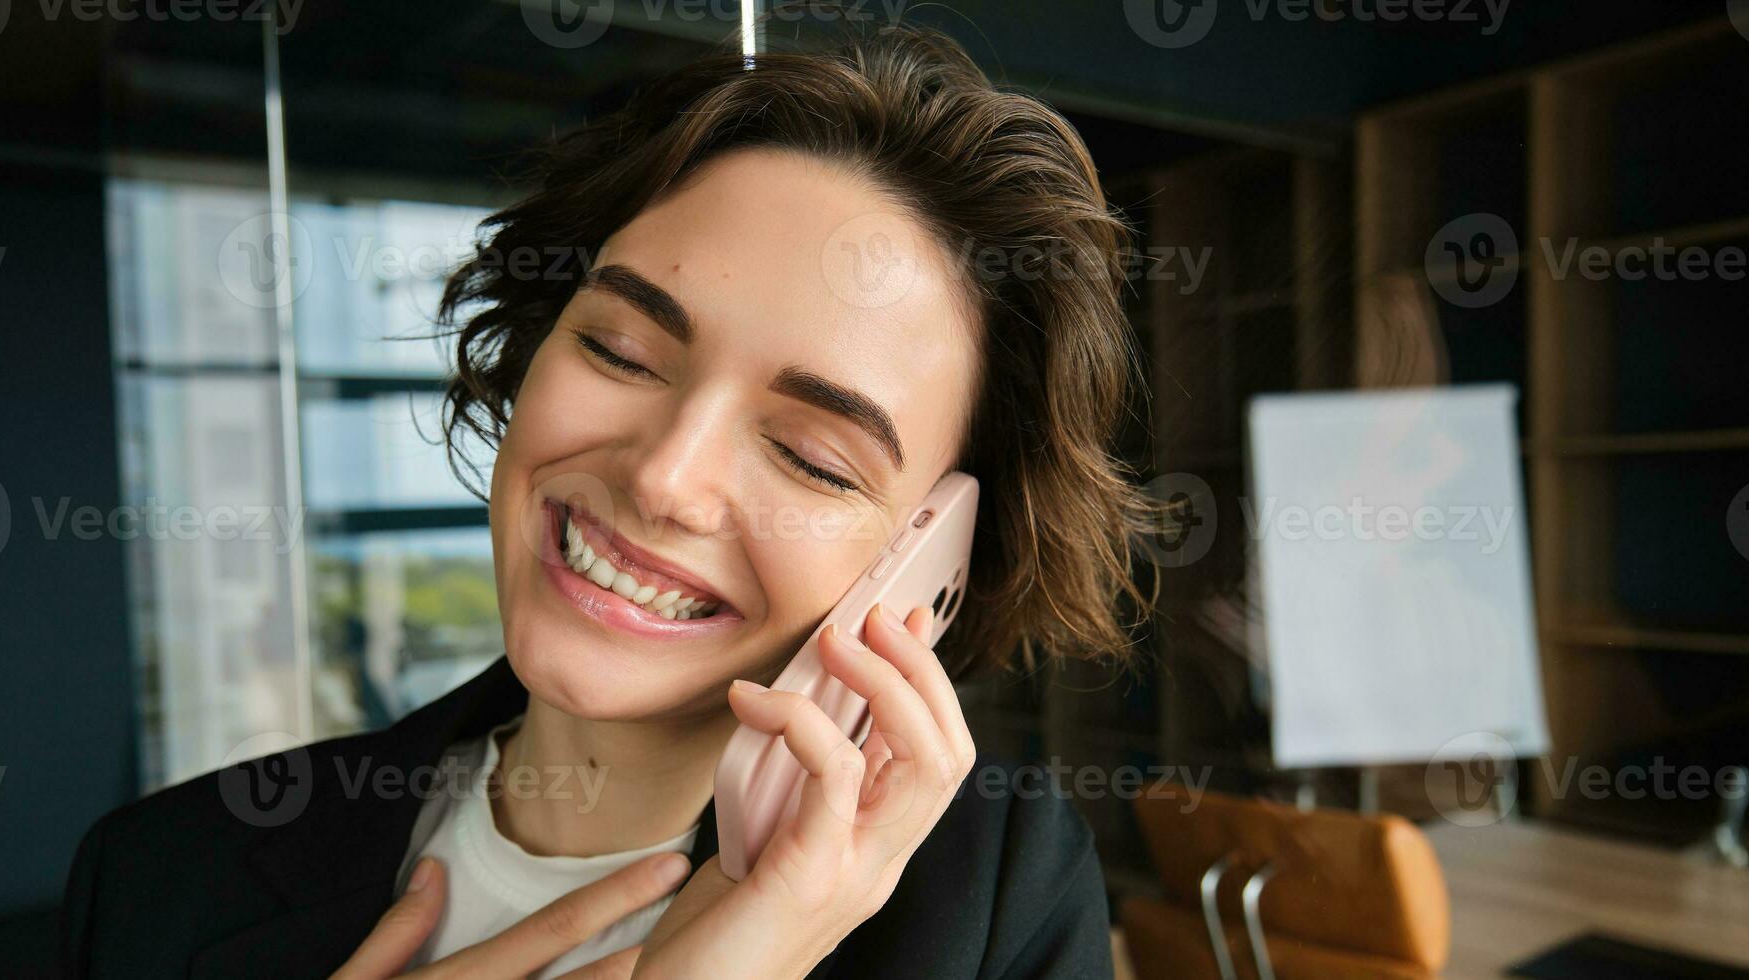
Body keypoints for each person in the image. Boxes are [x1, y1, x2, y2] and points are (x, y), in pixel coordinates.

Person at [62, 27, 1157, 980]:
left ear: (937, 553)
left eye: (813, 457)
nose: (665, 475)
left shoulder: (990, 893)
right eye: (619, 349)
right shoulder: (161, 875)